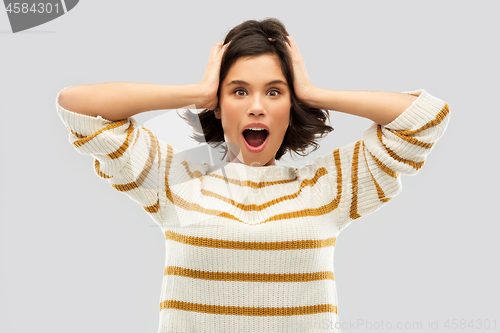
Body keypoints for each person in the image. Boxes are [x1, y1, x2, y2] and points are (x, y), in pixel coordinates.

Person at [55, 17, 450, 333]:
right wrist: (196, 91)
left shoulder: (326, 186)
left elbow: (425, 118)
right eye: (239, 91)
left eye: (275, 92)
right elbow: (78, 109)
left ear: (290, 106)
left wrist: (312, 93)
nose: (257, 107)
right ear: (218, 104)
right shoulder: (178, 175)